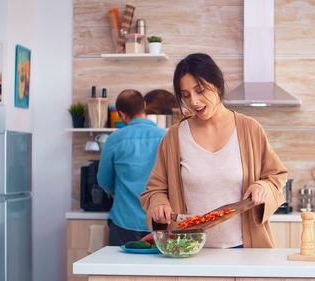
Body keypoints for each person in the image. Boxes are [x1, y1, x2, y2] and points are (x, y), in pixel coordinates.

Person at [139, 53, 288, 248]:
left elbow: (276, 177)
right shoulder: (175, 137)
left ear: (217, 85)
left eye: (200, 91)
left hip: (244, 246)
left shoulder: (250, 129)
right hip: (189, 249)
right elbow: (155, 189)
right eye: (185, 95)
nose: (193, 101)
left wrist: (262, 186)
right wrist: (158, 203)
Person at [97, 89, 166, 246]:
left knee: (122, 270)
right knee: (157, 270)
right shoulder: (166, 136)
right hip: (159, 222)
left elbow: (104, 180)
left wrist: (117, 192)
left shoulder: (115, 139)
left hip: (124, 222)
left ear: (121, 113)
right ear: (144, 105)